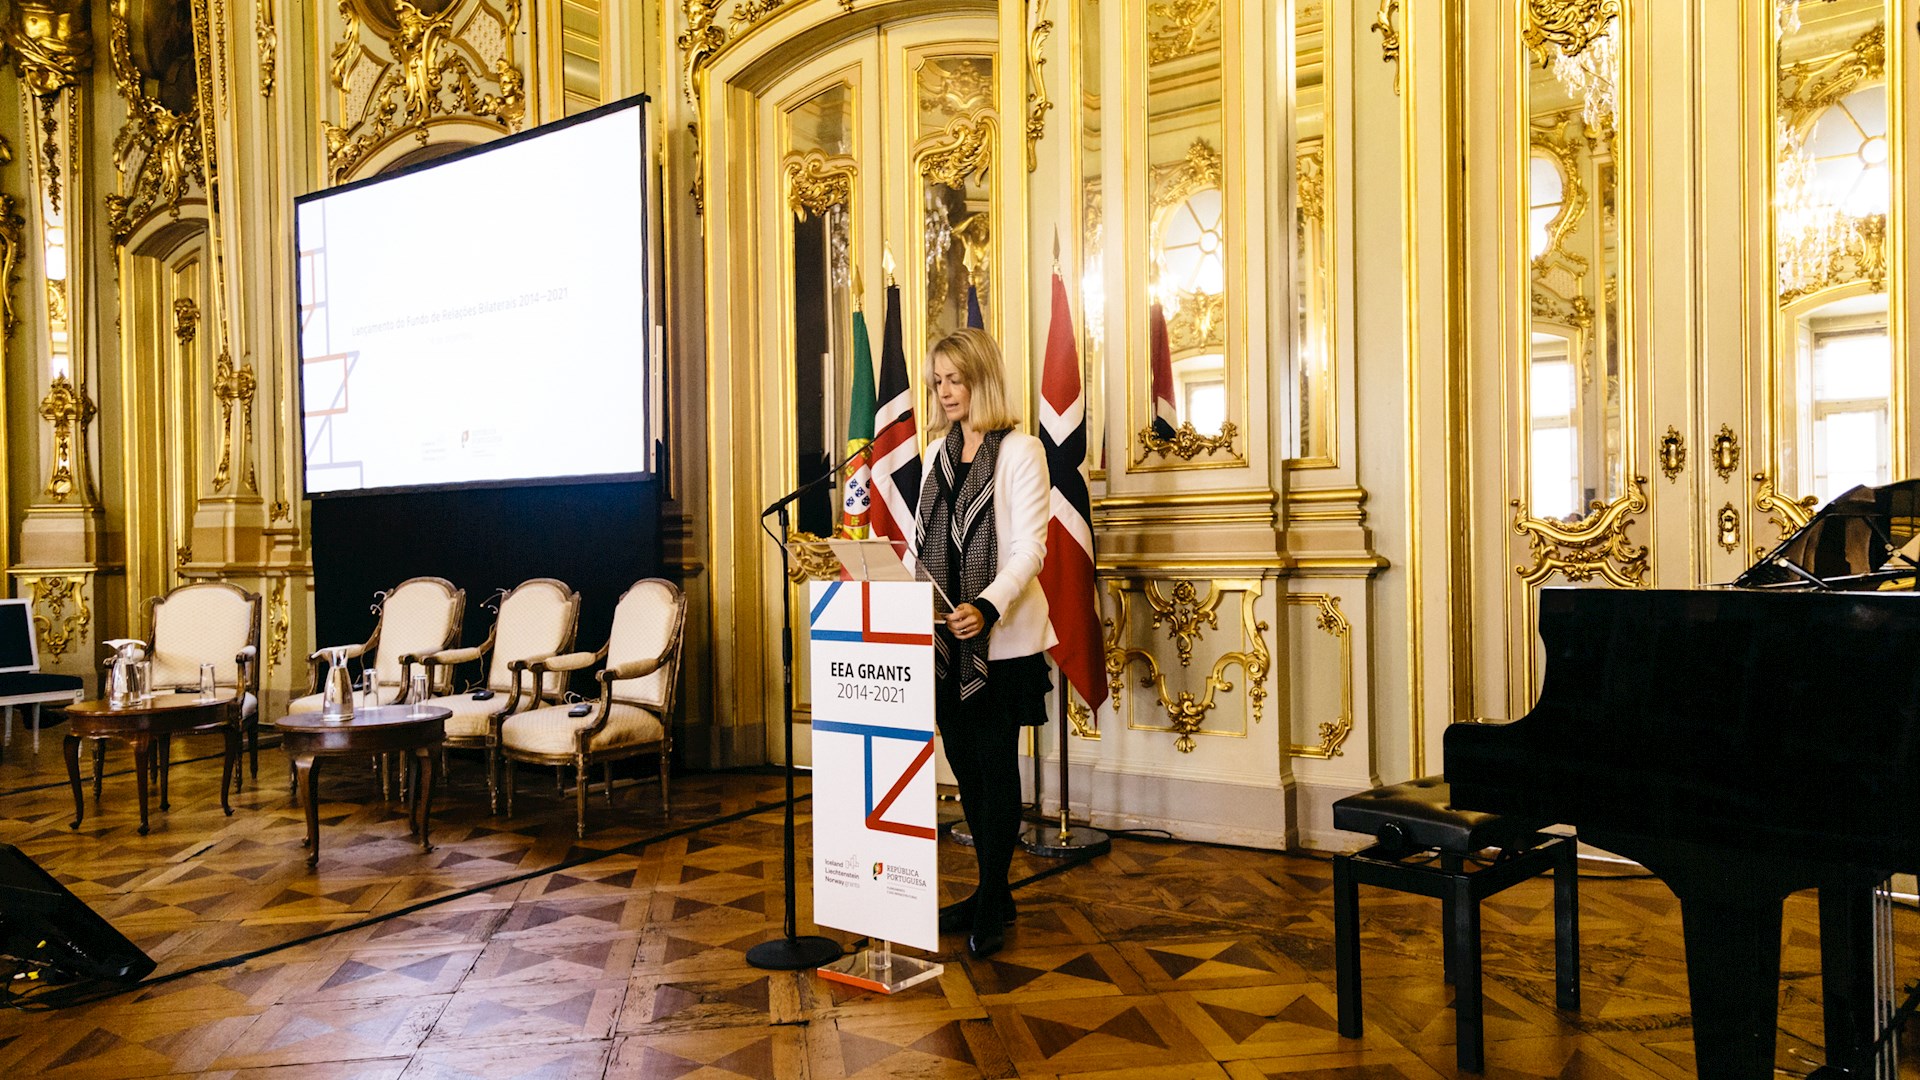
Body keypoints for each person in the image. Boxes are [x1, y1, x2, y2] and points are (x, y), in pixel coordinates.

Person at [910, 327, 1056, 960]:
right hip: (944, 644)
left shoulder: (1021, 451)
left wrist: (987, 606)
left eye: (955, 379)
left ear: (981, 379)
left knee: (995, 771)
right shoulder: (935, 454)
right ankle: (992, 889)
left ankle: (993, 898)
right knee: (966, 771)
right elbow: (921, 545)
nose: (944, 392)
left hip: (1002, 644)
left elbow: (1030, 548)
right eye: (937, 381)